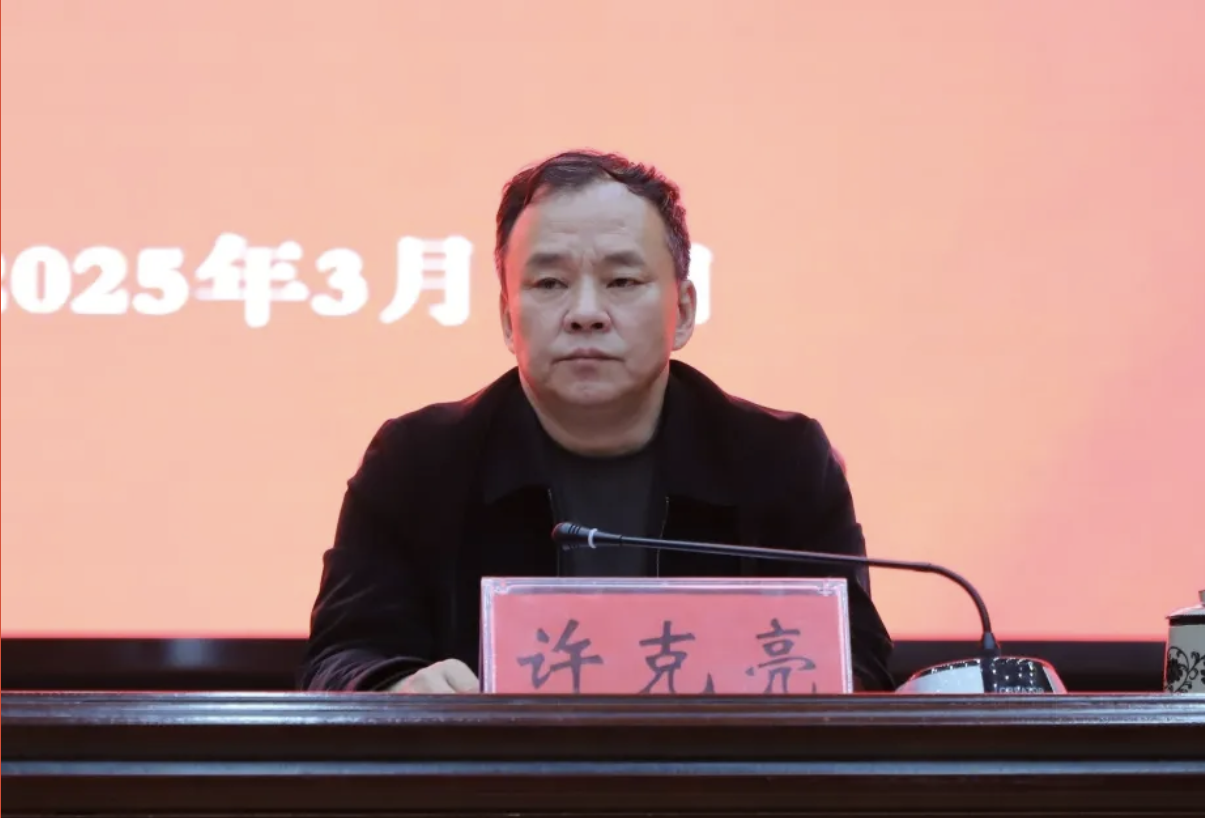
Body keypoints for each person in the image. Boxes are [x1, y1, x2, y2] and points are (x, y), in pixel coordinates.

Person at [299, 149, 895, 693]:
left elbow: (858, 663)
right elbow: (340, 659)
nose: (586, 313)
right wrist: (396, 689)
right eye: (550, 283)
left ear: (684, 310)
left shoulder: (781, 461)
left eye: (622, 281)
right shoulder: (418, 464)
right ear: (507, 318)